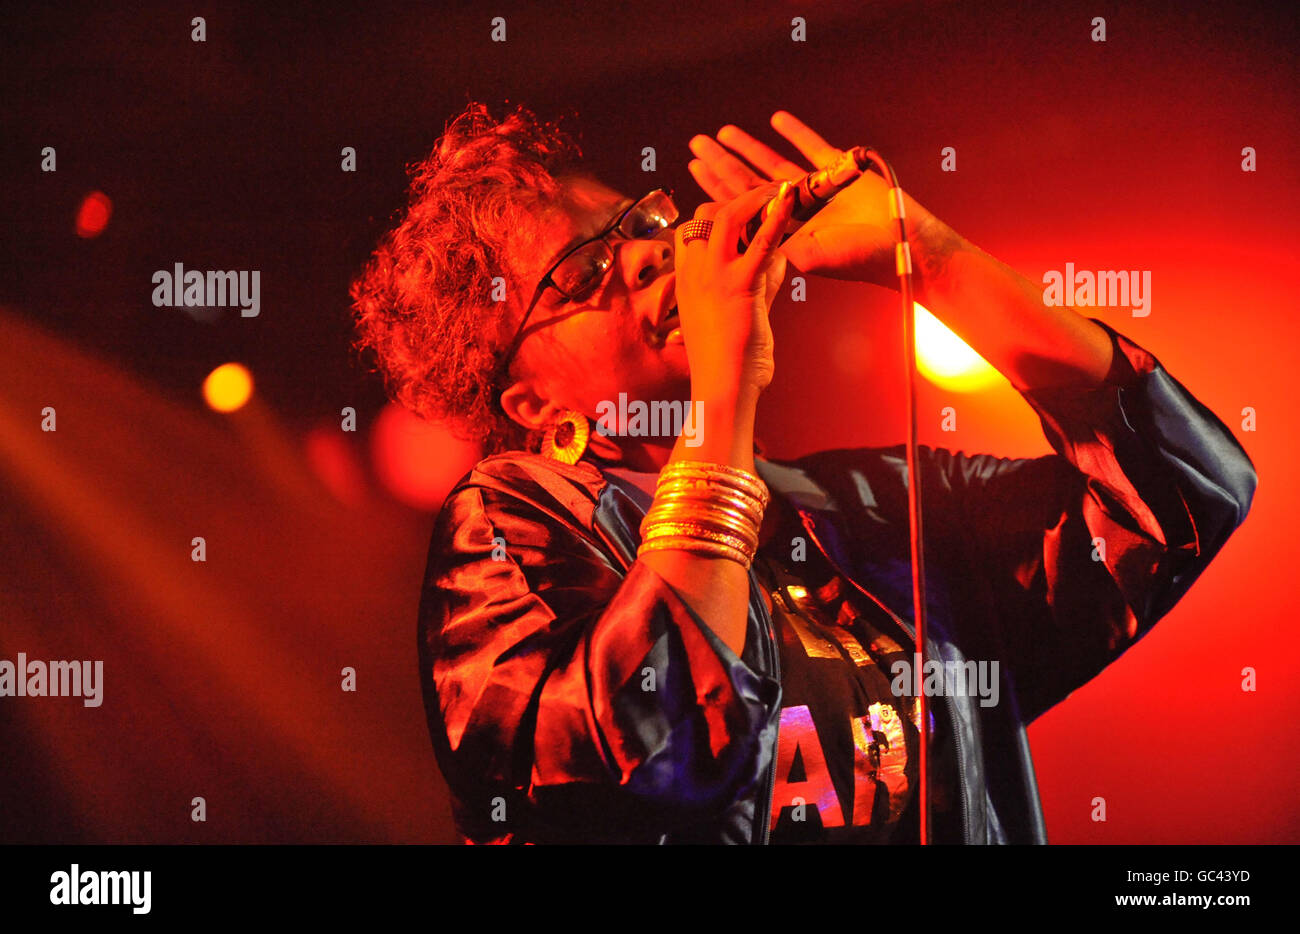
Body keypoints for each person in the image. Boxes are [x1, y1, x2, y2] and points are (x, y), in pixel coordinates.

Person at [350, 102, 1256, 844]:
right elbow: (662, 751)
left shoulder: (873, 507)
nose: (649, 253)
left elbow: (1182, 490)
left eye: (642, 221)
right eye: (586, 273)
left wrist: (928, 257)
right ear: (535, 408)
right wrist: (724, 390)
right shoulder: (515, 525)